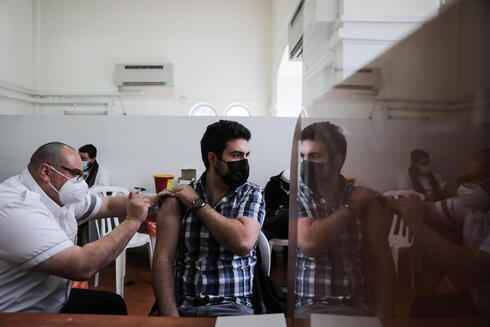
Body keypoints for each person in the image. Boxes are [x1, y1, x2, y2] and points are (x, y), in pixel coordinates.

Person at [0, 142, 159, 314]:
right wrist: (133, 221)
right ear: (45, 172)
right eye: (75, 174)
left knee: (113, 304)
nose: (80, 182)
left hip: (53, 298)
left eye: (82, 175)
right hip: (19, 314)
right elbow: (82, 265)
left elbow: (108, 205)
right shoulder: (16, 208)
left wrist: (156, 200)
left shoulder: (59, 194)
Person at [151, 120, 266, 317]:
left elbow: (243, 242)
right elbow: (163, 259)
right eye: (236, 155)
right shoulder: (178, 198)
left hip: (233, 307)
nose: (244, 162)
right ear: (213, 159)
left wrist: (197, 203)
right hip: (182, 305)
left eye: (246, 155)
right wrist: (171, 317)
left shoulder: (251, 193)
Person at [295, 122, 396, 318]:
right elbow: (310, 243)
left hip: (357, 306)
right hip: (311, 306)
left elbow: (382, 262)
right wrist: (351, 206)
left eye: (314, 156)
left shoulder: (366, 200)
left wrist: (384, 316)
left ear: (337, 161)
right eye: (302, 157)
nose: (306, 163)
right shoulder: (298, 196)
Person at [392, 148, 490, 318]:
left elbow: (474, 269)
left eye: (473, 179)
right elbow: (429, 209)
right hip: (480, 301)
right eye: (464, 181)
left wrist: (416, 224)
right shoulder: (473, 208)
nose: (466, 187)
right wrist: (390, 203)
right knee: (421, 307)